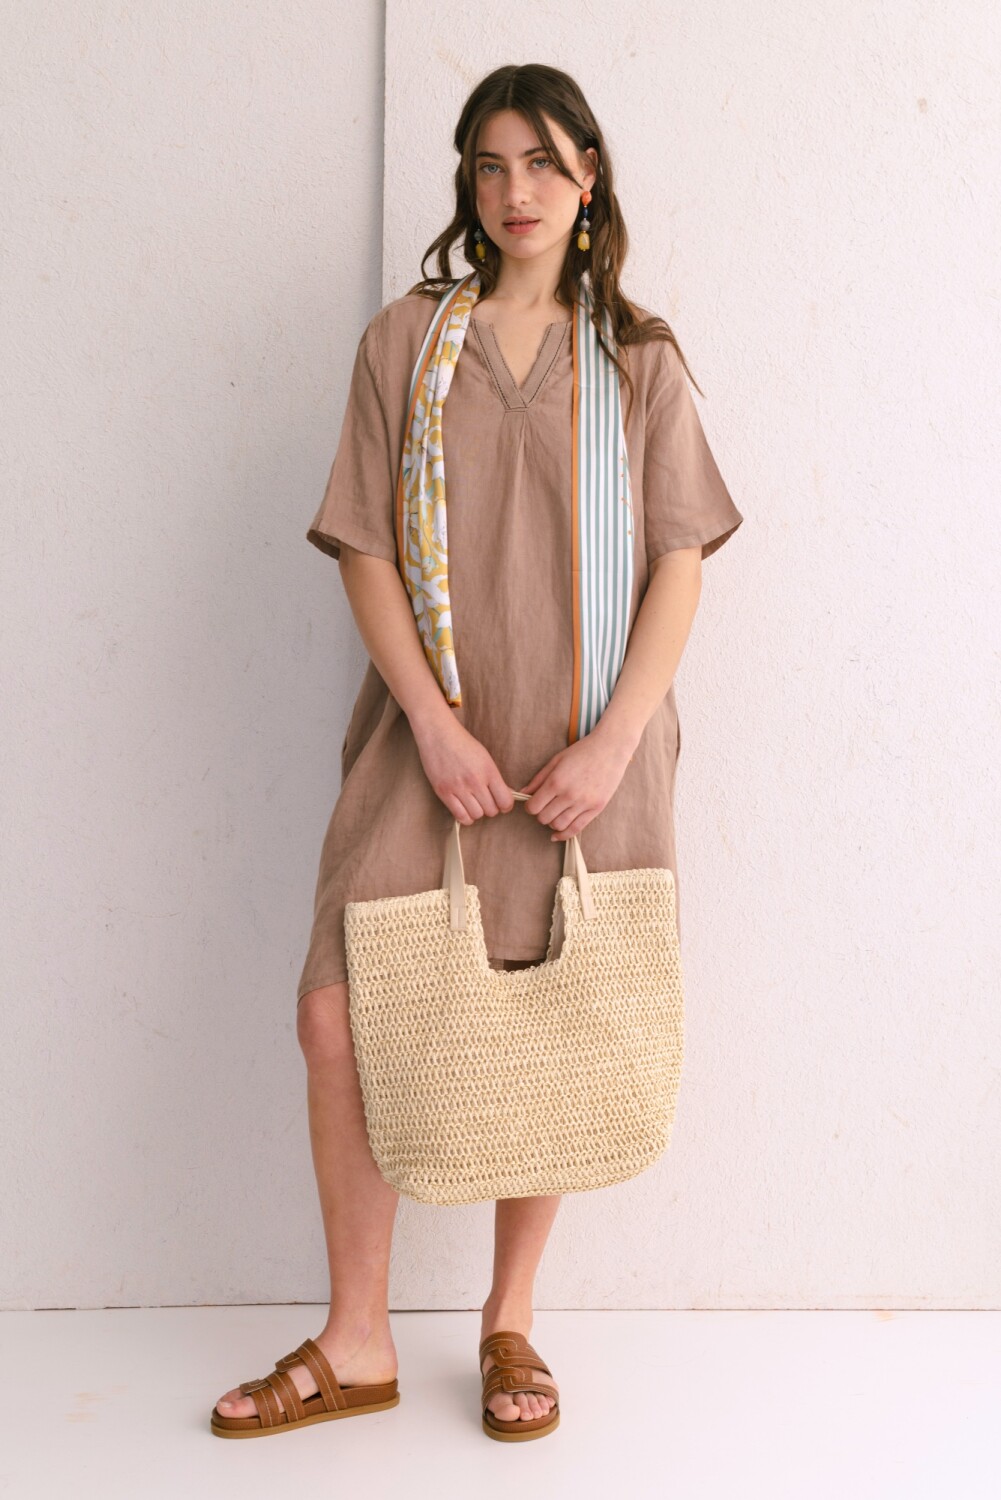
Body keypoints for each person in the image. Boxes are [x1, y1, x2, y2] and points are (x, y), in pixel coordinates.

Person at [211, 61, 743, 1444]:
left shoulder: (636, 359)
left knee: (549, 1019)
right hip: (426, 733)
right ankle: (360, 1335)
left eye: (546, 163)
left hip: (589, 748)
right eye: (492, 165)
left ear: (589, 180)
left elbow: (681, 557)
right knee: (336, 1010)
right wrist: (436, 727)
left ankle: (510, 1321)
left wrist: (613, 744)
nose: (518, 192)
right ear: (468, 181)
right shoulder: (405, 341)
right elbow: (365, 546)